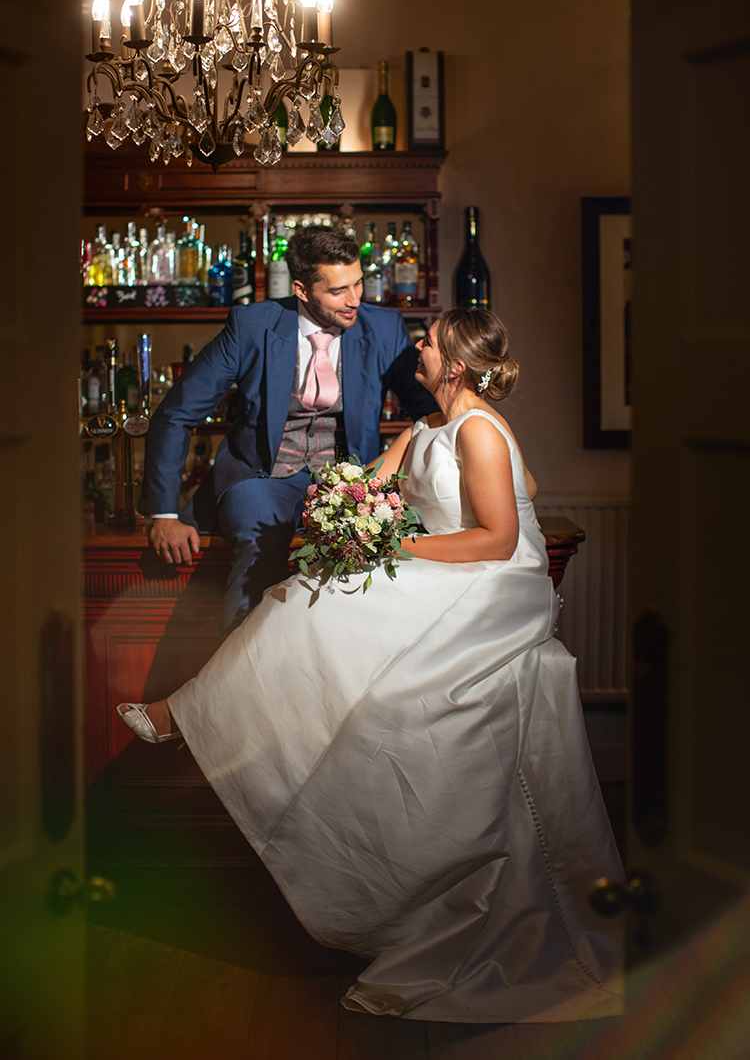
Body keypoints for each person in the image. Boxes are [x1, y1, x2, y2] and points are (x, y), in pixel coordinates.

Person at [120, 306, 624, 1024]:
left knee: (324, 602)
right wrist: (346, 510)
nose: (413, 347)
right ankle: (214, 721)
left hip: (497, 585)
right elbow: (373, 485)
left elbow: (498, 537)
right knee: (313, 591)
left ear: (452, 362)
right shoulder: (425, 426)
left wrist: (396, 547)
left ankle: (190, 715)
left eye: (427, 341)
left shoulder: (479, 427)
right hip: (450, 564)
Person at [139, 224, 436, 633]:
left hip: (350, 485)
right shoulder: (252, 325)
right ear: (300, 289)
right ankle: (236, 683)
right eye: (337, 291)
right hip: (262, 478)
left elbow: (430, 412)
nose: (354, 301)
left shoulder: (382, 328)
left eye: (358, 284)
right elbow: (177, 412)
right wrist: (163, 512)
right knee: (261, 547)